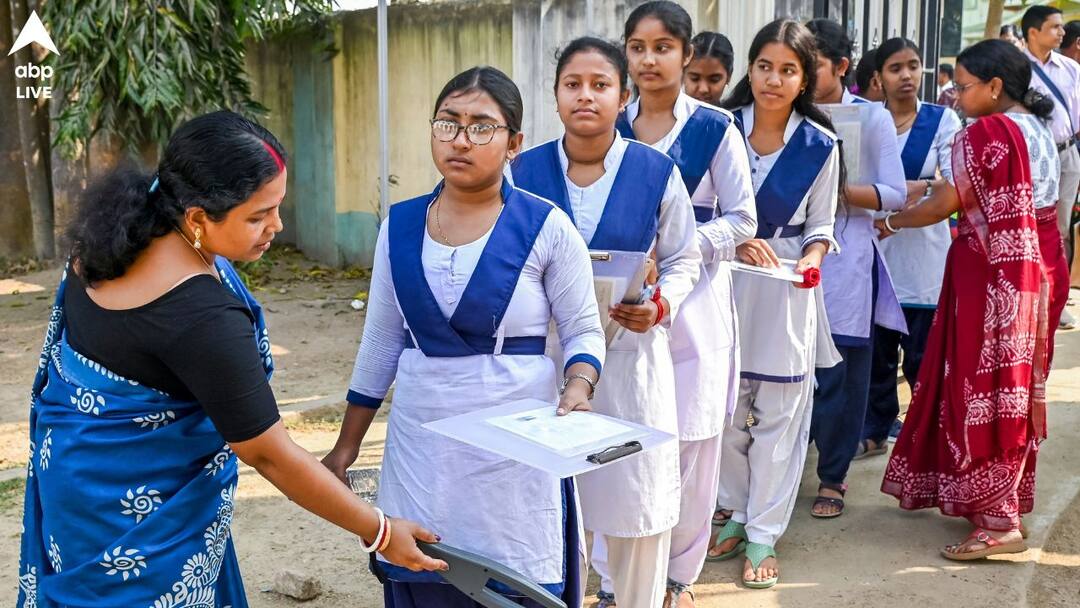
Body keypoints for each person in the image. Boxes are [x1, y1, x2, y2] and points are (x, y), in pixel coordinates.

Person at [16, 111, 447, 608]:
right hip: (142, 531)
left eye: (278, 207)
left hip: (75, 489)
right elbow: (269, 453)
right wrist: (381, 531)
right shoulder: (202, 317)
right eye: (258, 215)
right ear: (198, 217)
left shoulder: (104, 241)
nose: (276, 227)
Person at [321, 66, 607, 607]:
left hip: (515, 442)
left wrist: (579, 384)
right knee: (423, 569)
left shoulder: (547, 227)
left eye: (481, 127)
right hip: (422, 442)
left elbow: (583, 329)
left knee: (511, 582)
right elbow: (382, 341)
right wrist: (346, 446)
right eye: (447, 123)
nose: (460, 140)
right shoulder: (399, 226)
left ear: (514, 143)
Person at [878, 39, 1056, 560]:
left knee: (982, 387)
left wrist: (889, 222)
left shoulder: (987, 132)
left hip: (990, 274)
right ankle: (1002, 504)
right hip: (1029, 268)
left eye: (962, 85)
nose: (953, 95)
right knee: (1011, 388)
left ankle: (998, 525)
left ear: (995, 87)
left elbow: (947, 202)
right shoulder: (1035, 127)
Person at [613, 4, 756, 604]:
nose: (650, 59)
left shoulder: (714, 129)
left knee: (693, 447)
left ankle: (676, 576)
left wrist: (678, 245)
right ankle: (613, 574)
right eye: (639, 47)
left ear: (686, 54)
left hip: (694, 306)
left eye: (664, 46)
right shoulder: (607, 126)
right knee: (617, 439)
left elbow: (743, 218)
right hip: (621, 305)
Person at [707, 18, 842, 590]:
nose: (773, 78)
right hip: (720, 279)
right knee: (724, 409)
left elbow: (822, 224)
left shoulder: (820, 144)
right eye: (764, 66)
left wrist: (811, 261)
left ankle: (763, 529)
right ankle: (734, 510)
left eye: (788, 70)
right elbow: (692, 206)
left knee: (781, 415)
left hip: (786, 287)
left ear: (804, 78)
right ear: (751, 69)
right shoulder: (717, 130)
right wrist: (731, 235)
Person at [806, 18, 908, 519]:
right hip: (786, 255)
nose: (797, 75)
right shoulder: (778, 111)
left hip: (847, 261)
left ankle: (832, 475)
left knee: (843, 374)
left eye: (811, 65)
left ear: (842, 67)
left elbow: (894, 193)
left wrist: (834, 190)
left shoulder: (871, 119)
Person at [860, 38, 963, 458]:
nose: (906, 76)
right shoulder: (868, 121)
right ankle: (875, 428)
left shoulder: (942, 120)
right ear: (877, 78)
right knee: (877, 360)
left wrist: (888, 198)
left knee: (923, 358)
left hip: (924, 263)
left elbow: (947, 187)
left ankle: (927, 438)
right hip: (874, 257)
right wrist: (919, 186)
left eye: (913, 66)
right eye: (895, 68)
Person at [1021, 5, 1080, 331]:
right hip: (1028, 158)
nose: (1062, 33)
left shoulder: (1071, 69)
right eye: (1055, 27)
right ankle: (1028, 298)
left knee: (1060, 230)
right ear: (1033, 32)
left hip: (1067, 155)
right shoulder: (1016, 68)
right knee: (1026, 228)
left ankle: (1056, 301)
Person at [684, 31, 736, 105]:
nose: (703, 89)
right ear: (682, 73)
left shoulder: (733, 116)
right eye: (694, 78)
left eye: (714, 80)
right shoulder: (665, 115)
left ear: (728, 77)